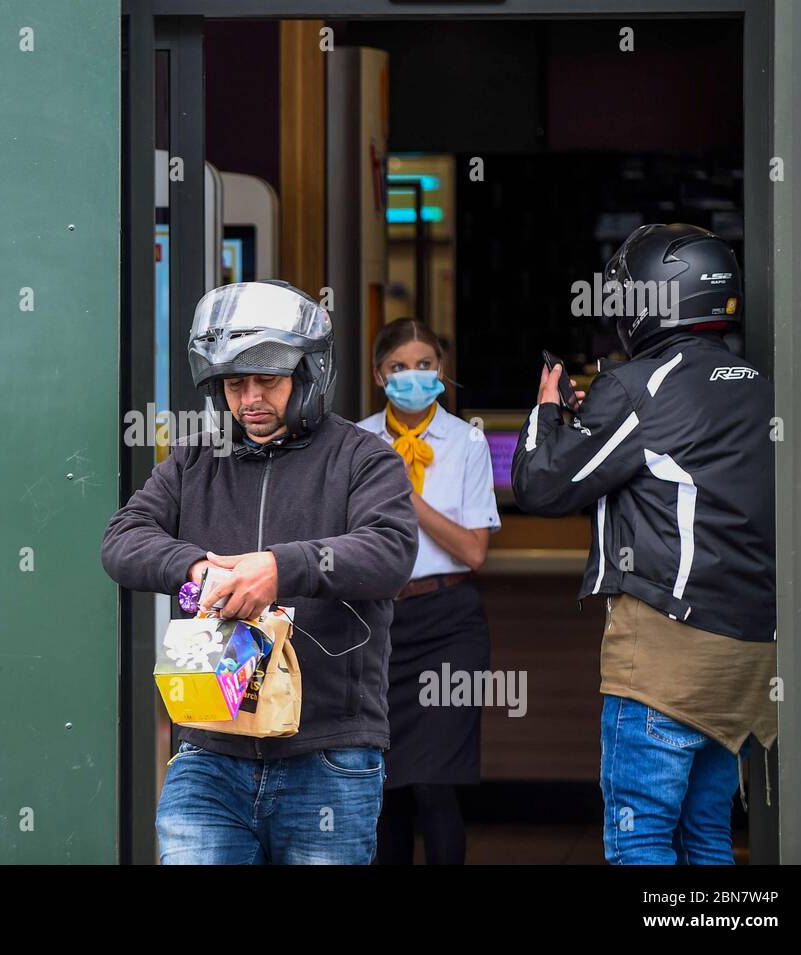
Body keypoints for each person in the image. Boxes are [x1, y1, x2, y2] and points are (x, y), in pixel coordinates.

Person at [101, 280, 419, 864]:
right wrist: (193, 565)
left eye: (267, 381)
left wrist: (279, 568)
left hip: (329, 752)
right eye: (233, 383)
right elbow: (121, 540)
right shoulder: (194, 457)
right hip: (207, 749)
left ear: (308, 374)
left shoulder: (364, 458)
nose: (249, 398)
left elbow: (391, 550)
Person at [510, 223, 776, 864]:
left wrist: (548, 411)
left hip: (666, 655)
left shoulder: (637, 385)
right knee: (707, 834)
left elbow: (543, 486)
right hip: (748, 656)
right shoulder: (759, 381)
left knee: (641, 840)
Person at [356, 319, 501, 865]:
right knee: (385, 788)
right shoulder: (356, 441)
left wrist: (404, 496)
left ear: (441, 372)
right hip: (376, 625)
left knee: (435, 785)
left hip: (448, 624)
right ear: (378, 375)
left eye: (423, 365)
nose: (411, 376)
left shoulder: (467, 441)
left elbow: (474, 551)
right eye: (398, 367)